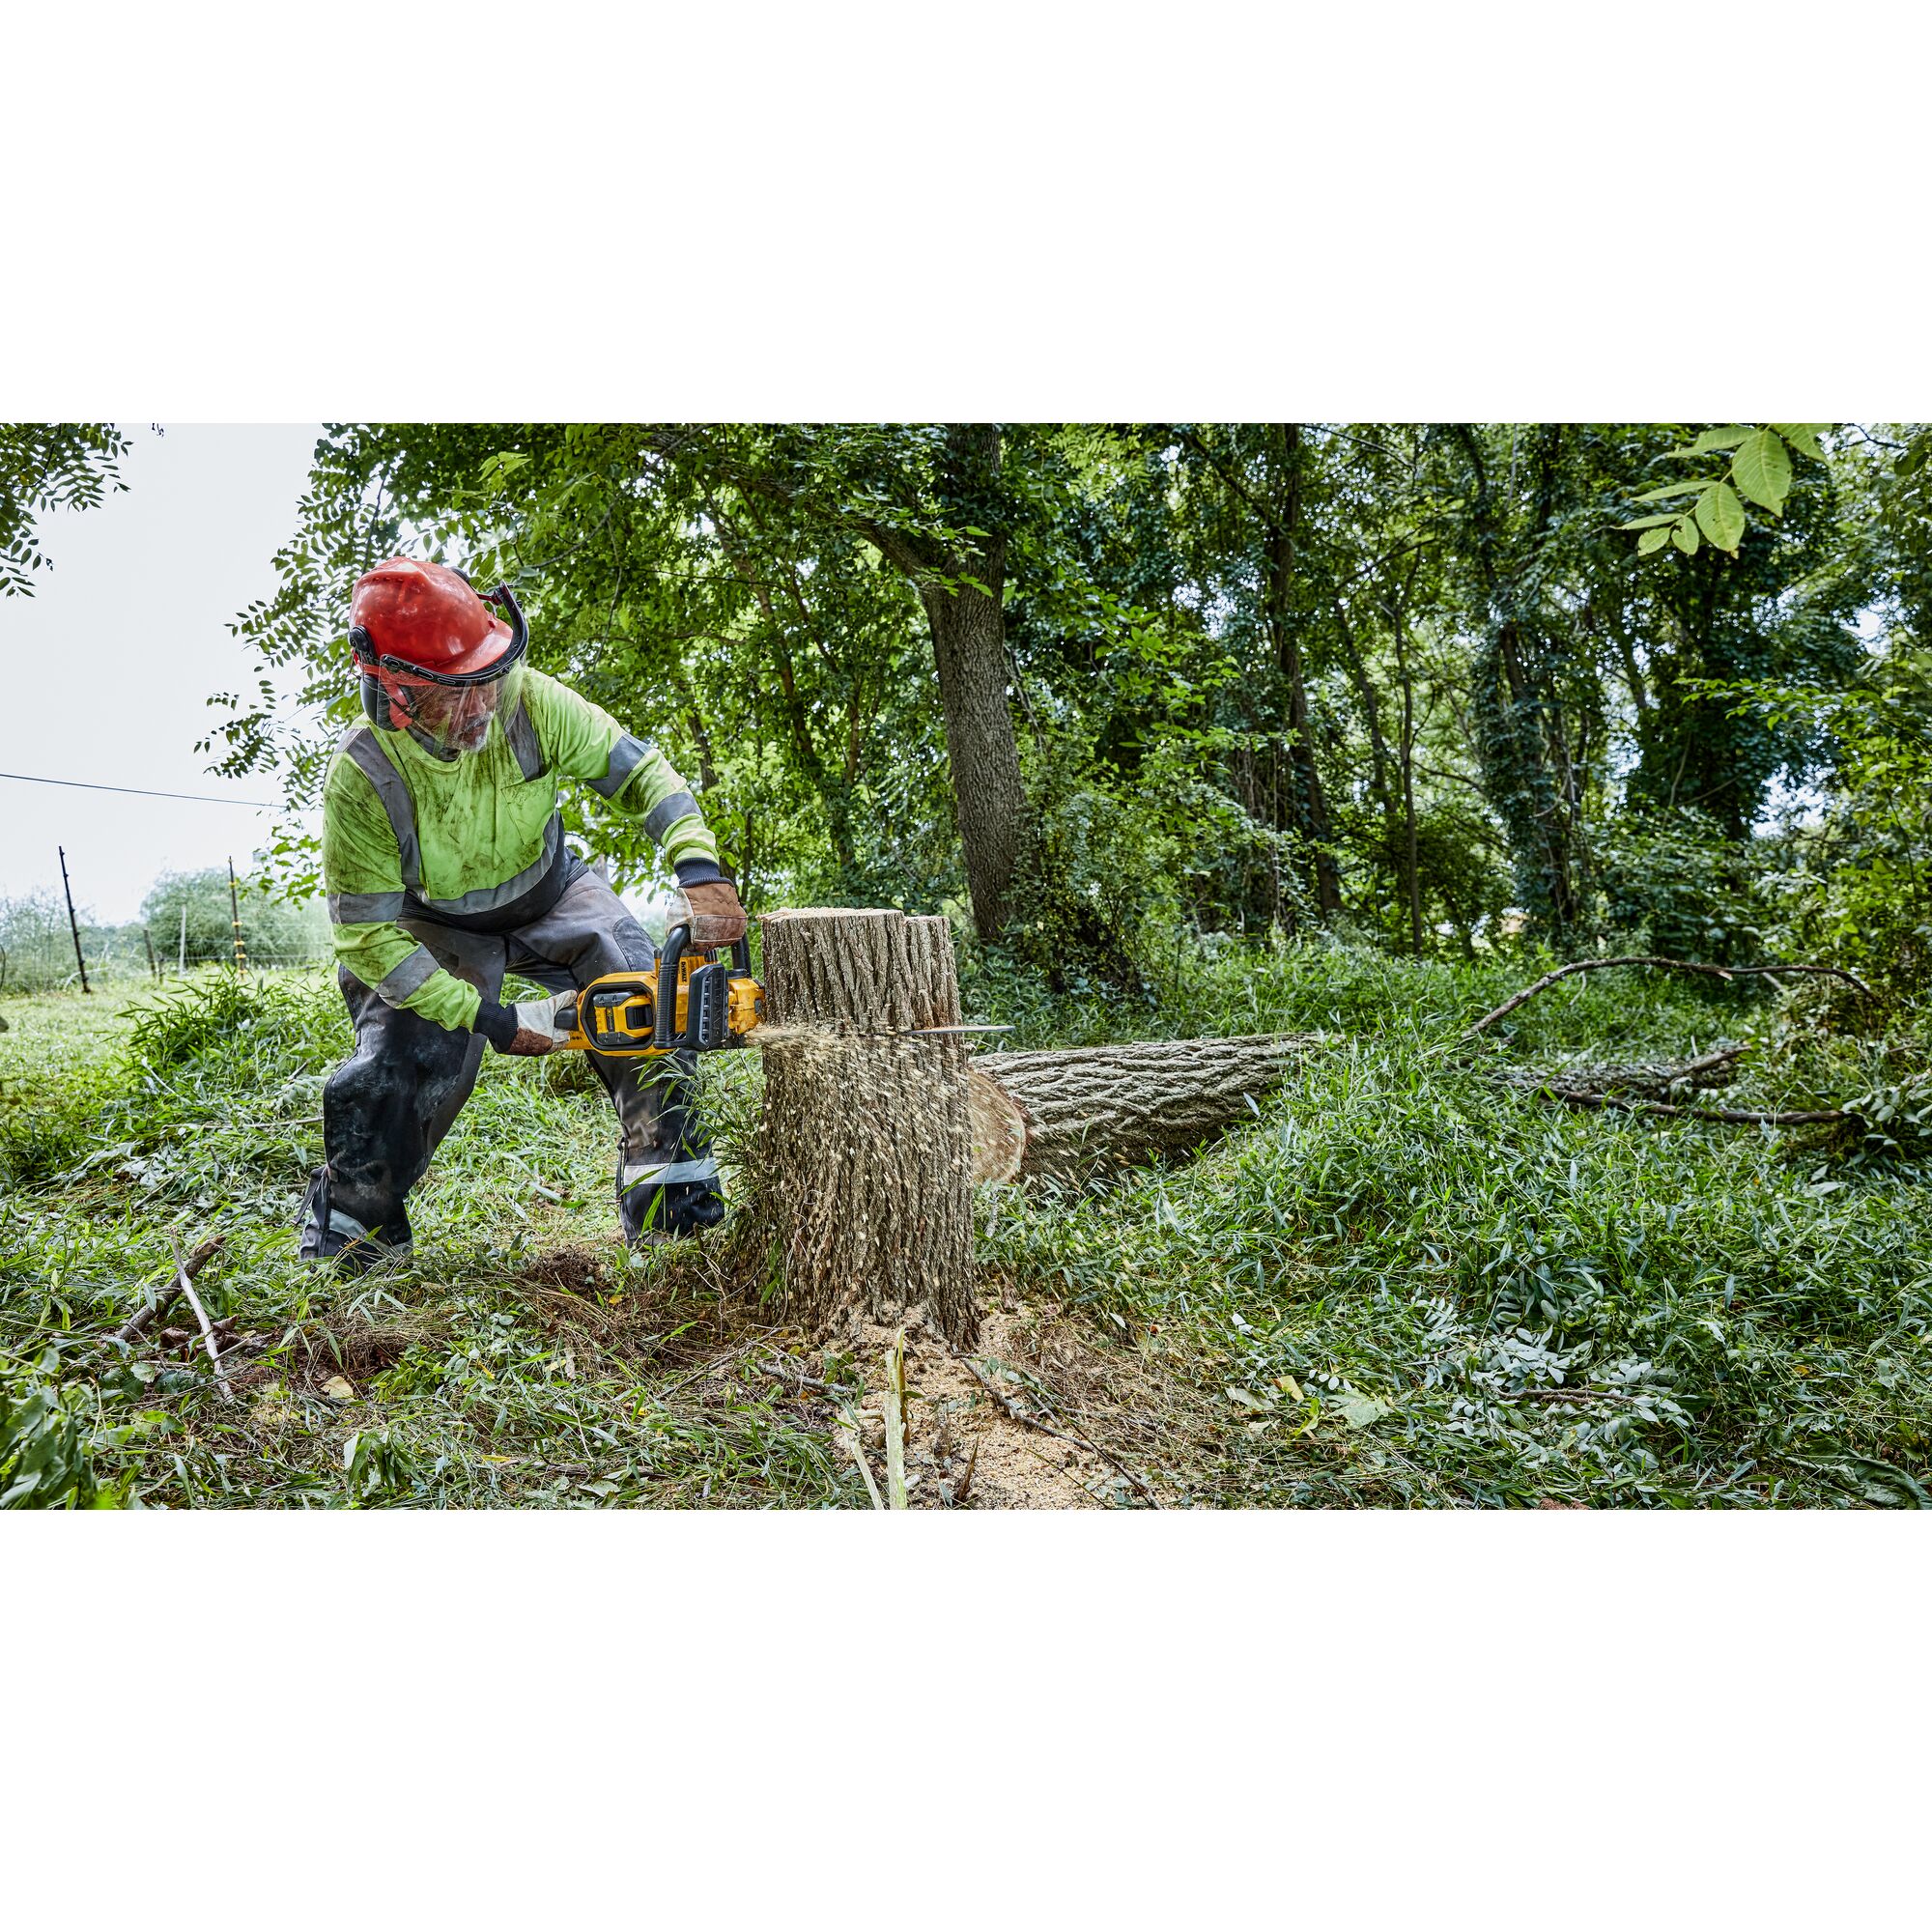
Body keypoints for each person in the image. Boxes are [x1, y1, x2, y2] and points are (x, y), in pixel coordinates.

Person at [298, 556, 745, 1268]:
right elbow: (367, 938)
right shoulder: (364, 773)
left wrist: (699, 866)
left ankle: (675, 1214)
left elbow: (639, 771)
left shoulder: (530, 701)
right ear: (400, 689)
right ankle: (355, 1232)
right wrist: (488, 1019)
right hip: (432, 921)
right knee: (400, 1059)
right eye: (460, 691)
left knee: (645, 995)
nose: (483, 704)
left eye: (489, 680)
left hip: (550, 887)